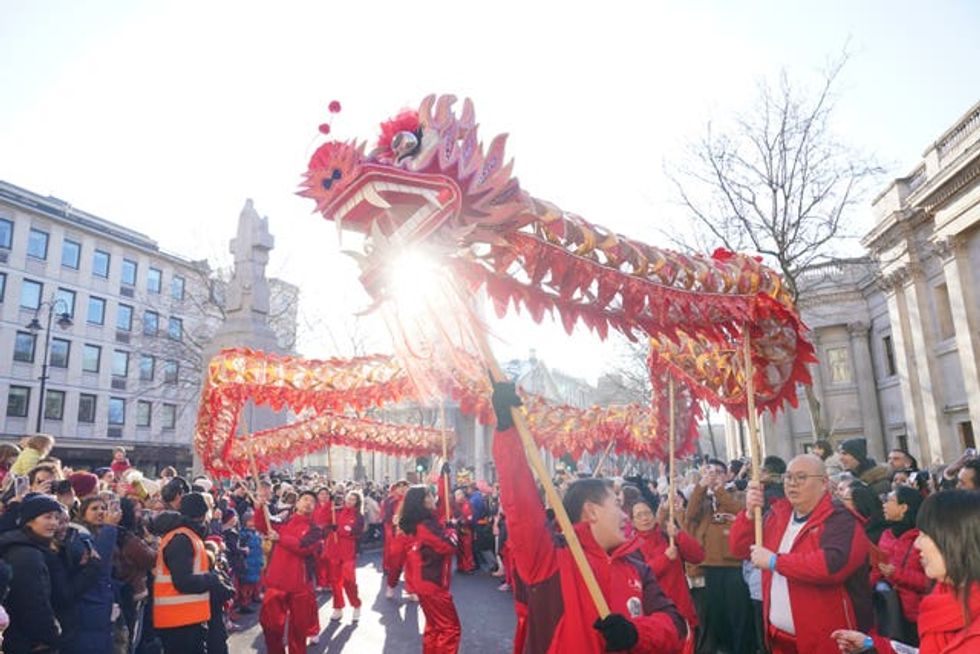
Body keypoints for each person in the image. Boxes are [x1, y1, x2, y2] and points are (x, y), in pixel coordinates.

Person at [492, 381, 686, 653]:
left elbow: (676, 624)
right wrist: (506, 431)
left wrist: (636, 632)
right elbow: (521, 506)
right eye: (618, 505)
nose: (625, 515)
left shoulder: (636, 567)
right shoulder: (551, 558)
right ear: (591, 511)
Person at [731, 454, 872, 654]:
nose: (792, 484)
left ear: (824, 483)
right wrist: (748, 514)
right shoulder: (777, 514)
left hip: (826, 641)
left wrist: (775, 561)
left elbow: (830, 566)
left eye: (801, 477)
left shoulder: (841, 520)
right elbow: (739, 549)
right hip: (778, 638)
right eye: (788, 477)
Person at [833, 490, 980, 653]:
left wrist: (897, 574)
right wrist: (870, 644)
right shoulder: (943, 598)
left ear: (958, 539)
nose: (917, 544)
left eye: (925, 535)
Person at [686, 458, 751, 654]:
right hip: (710, 563)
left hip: (734, 564)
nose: (713, 475)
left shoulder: (738, 493)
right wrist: (701, 487)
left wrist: (719, 490)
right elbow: (690, 515)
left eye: (718, 472)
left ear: (727, 475)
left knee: (738, 615)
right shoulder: (703, 499)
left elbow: (740, 511)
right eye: (709, 472)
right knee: (717, 614)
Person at [153, 492, 229, 654]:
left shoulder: (188, 535)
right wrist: (212, 579)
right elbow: (183, 581)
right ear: (203, 513)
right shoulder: (183, 538)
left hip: (186, 618)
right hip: (179, 620)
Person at [632, 488, 704, 653]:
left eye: (647, 513)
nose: (644, 518)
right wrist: (665, 559)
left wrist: (678, 535)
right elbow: (640, 575)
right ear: (632, 521)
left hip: (682, 608)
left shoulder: (667, 537)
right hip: (658, 616)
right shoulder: (631, 547)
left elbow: (698, 556)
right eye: (639, 515)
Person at [255, 488, 323, 654]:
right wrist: (259, 508)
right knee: (270, 627)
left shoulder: (316, 530)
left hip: (300, 586)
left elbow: (304, 547)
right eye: (305, 499)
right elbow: (263, 526)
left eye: (312, 501)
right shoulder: (282, 521)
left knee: (298, 632)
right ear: (297, 502)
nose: (308, 503)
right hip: (276, 582)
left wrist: (281, 538)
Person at [399, 479, 461, 654]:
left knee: (434, 627)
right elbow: (448, 546)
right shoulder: (426, 525)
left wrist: (444, 478)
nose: (433, 498)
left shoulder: (422, 523)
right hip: (431, 582)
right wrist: (452, 530)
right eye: (430, 495)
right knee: (450, 628)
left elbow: (442, 507)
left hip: (425, 581)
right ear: (423, 501)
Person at [0, 494, 65, 653]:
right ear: (29, 520)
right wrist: (49, 637)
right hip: (26, 642)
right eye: (47, 517)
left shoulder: (33, 548)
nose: (53, 523)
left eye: (57, 518)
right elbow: (33, 602)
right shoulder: (26, 554)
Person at [872, 486, 928, 645]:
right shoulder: (886, 534)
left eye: (889, 500)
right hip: (889, 609)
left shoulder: (921, 538)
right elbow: (877, 569)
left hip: (916, 615)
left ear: (904, 507)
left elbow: (929, 582)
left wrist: (897, 574)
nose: (884, 505)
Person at [65, 495, 120, 654]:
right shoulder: (80, 536)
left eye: (104, 508)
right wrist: (110, 528)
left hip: (102, 604)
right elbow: (99, 564)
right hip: (88, 606)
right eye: (94, 509)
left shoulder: (99, 534)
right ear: (83, 513)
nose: (101, 512)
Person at [326, 490, 365, 621]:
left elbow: (355, 532)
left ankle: (356, 604)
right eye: (348, 498)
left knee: (349, 581)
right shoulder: (335, 511)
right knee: (335, 581)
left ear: (357, 502)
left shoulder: (359, 516)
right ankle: (338, 607)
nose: (349, 501)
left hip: (348, 552)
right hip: (333, 550)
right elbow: (324, 522)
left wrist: (340, 529)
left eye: (353, 499)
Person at [382, 480, 412, 599]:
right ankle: (390, 586)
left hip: (411, 536)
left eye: (405, 486)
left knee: (412, 564)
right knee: (395, 564)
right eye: (400, 487)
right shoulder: (391, 501)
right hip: (398, 536)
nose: (402, 489)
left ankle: (412, 590)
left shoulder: (413, 501)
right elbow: (387, 518)